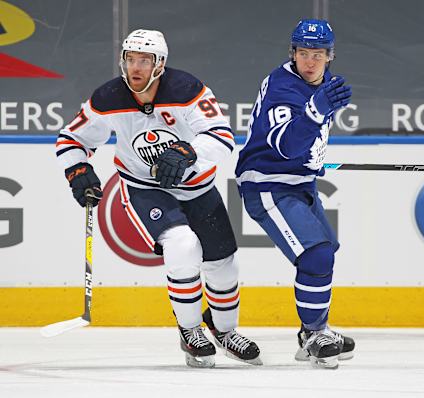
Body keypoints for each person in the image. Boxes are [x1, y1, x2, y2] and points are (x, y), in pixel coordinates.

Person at [56, 29, 261, 368]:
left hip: (197, 188)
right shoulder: (108, 97)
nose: (135, 68)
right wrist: (77, 170)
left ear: (160, 64)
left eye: (144, 60)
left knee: (224, 264)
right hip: (144, 187)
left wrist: (187, 152)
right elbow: (71, 139)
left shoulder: (187, 90)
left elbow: (222, 137)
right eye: (130, 59)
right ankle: (190, 329)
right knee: (182, 244)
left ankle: (225, 332)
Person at [235, 19, 355, 369]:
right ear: (293, 53)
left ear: (330, 56)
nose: (310, 61)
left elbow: (306, 146)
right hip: (267, 184)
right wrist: (315, 112)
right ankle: (315, 333)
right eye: (304, 53)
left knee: (326, 252)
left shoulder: (326, 84)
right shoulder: (281, 86)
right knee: (316, 254)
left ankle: (311, 331)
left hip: (298, 183)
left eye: (318, 54)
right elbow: (286, 146)